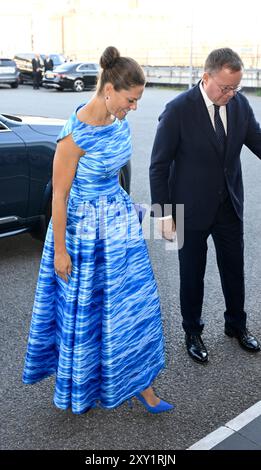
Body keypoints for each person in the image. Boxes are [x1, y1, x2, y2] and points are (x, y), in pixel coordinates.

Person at [23, 46, 173, 415]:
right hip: (83, 235)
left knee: (135, 307)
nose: (134, 108)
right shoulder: (73, 137)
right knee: (88, 314)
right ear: (109, 89)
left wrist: (133, 210)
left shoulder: (118, 123)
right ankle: (84, 387)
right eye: (131, 99)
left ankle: (144, 386)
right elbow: (58, 197)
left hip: (119, 228)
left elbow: (116, 178)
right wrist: (60, 250)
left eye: (138, 100)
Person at [150, 47, 261, 364]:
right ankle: (192, 332)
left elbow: (257, 141)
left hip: (228, 206)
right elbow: (158, 166)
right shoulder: (178, 110)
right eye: (225, 87)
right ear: (206, 77)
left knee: (234, 270)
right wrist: (164, 214)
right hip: (189, 211)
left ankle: (236, 326)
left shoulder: (240, 106)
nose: (230, 93)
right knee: (191, 275)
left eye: (235, 87)